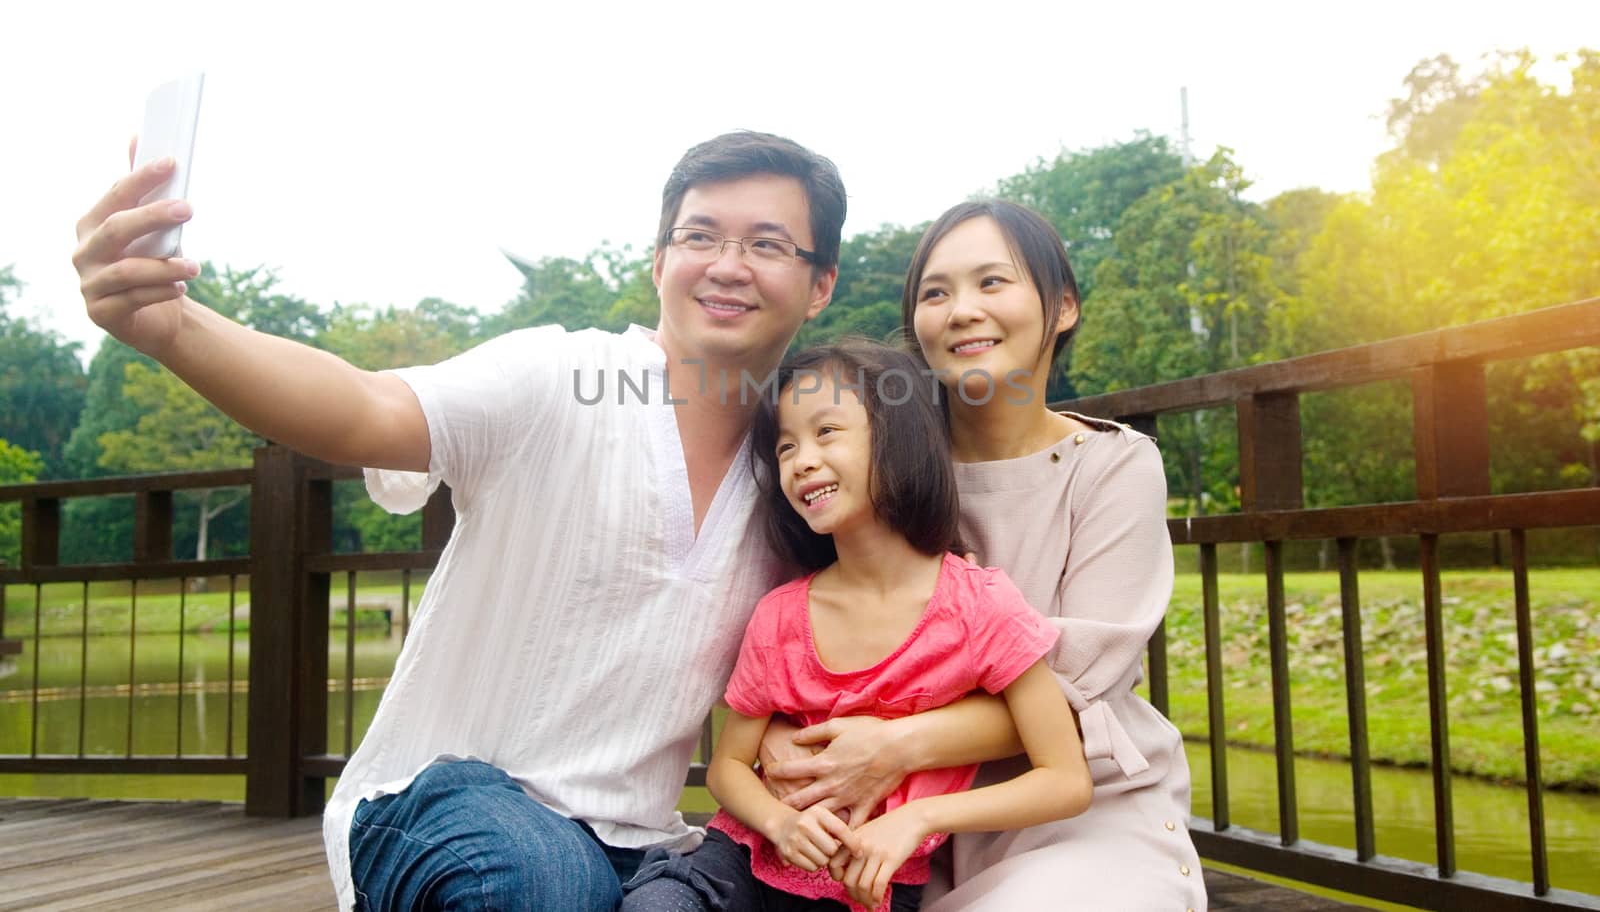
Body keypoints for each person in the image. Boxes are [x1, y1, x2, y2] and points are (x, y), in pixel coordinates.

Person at [73, 131, 855, 912]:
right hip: (447, 806)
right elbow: (364, 407)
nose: (727, 264)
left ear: (820, 284)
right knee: (543, 882)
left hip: (640, 844)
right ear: (658, 263)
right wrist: (172, 329)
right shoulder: (558, 378)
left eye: (768, 244)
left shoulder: (798, 473)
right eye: (699, 236)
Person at [622, 340, 1092, 912]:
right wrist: (779, 823)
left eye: (827, 433)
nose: (802, 460)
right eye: (787, 445)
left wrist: (919, 819)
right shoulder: (780, 616)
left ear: (898, 439)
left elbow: (1066, 779)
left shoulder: (979, 607)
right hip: (739, 864)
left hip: (868, 888)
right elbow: (728, 767)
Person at [901, 198, 1206, 909]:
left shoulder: (1112, 465)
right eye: (935, 293)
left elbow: (1077, 675)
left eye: (992, 282)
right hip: (904, 824)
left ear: (1062, 306)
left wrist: (890, 743)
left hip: (1083, 811)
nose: (962, 310)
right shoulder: (887, 470)